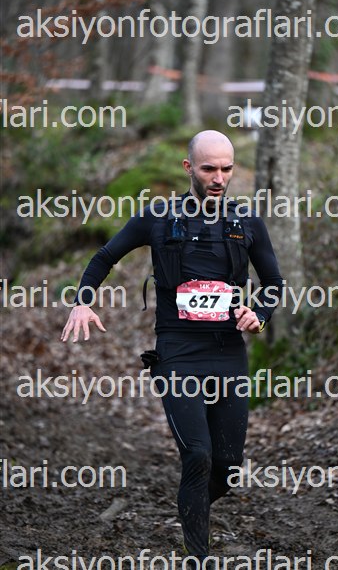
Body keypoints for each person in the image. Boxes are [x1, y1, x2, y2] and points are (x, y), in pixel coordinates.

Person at [61, 130, 283, 562]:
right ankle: (197, 555)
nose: (219, 178)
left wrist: (259, 313)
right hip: (177, 351)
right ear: (188, 168)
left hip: (228, 351)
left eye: (227, 169)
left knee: (227, 468)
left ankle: (191, 504)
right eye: (209, 169)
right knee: (197, 454)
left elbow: (273, 282)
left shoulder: (246, 222)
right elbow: (105, 257)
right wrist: (82, 301)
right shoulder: (158, 218)